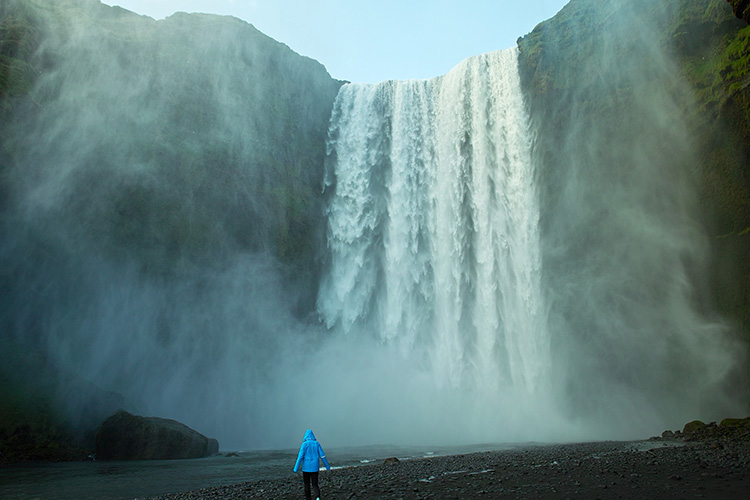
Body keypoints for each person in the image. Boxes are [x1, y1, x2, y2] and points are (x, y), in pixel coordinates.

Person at [293, 429, 331, 500]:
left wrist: (296, 468)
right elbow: (322, 456)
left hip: (306, 468)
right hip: (315, 468)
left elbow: (300, 457)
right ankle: (317, 497)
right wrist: (327, 466)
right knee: (315, 484)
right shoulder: (316, 444)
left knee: (307, 484)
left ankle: (308, 498)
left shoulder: (304, 444)